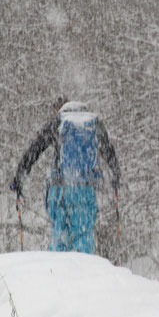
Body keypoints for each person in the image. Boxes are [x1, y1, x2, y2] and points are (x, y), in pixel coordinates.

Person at [10, 96, 120, 254]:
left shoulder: (57, 123)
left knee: (60, 237)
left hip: (59, 189)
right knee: (83, 236)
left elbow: (33, 151)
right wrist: (115, 179)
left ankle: (58, 274)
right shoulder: (93, 124)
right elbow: (110, 153)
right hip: (85, 190)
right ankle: (84, 273)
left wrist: (19, 179)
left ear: (59, 110)